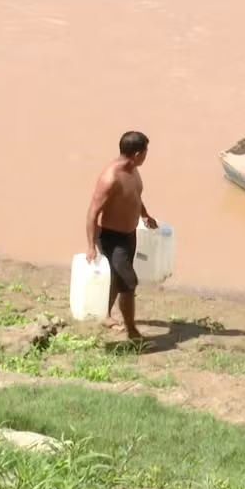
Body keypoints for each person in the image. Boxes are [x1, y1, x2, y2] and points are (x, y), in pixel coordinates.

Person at [84, 131, 159, 340]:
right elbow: (92, 213)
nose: (146, 156)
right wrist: (91, 246)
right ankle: (132, 330)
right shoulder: (111, 178)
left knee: (117, 279)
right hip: (110, 236)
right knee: (128, 281)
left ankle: (105, 315)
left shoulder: (133, 170)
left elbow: (134, 196)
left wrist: (144, 215)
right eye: (145, 152)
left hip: (129, 234)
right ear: (137, 154)